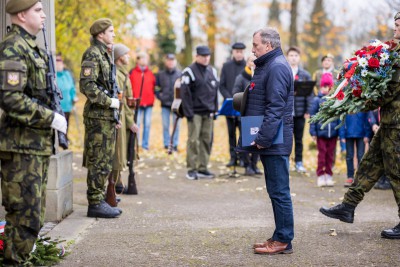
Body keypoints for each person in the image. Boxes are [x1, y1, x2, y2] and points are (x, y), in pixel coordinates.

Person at [319, 11, 400, 239]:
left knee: (397, 173)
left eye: (398, 24)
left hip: (397, 125)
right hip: (390, 123)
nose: (394, 28)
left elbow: (387, 93)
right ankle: (348, 206)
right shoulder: (394, 51)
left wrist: (354, 103)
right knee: (369, 164)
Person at [0, 0, 67, 264]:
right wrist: (49, 117)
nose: (43, 16)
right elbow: (11, 99)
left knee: (34, 217)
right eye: (38, 10)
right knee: (23, 216)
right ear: (21, 14)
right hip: (19, 148)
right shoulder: (13, 47)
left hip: (34, 146)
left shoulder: (33, 47)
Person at [236, 28, 294, 254]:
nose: (252, 49)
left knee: (280, 191)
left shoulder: (277, 66)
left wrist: (262, 139)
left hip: (274, 142)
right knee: (275, 190)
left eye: (256, 45)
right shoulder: (268, 65)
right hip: (271, 140)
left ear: (268, 46)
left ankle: (284, 240)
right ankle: (279, 235)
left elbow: (275, 108)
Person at [80, 18, 121, 218]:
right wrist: (109, 102)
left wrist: (115, 114)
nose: (114, 34)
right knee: (98, 160)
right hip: (97, 117)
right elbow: (87, 86)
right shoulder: (93, 54)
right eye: (110, 31)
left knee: (105, 160)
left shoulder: (105, 54)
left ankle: (100, 198)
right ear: (100, 34)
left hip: (106, 117)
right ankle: (95, 202)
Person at [106, 43, 138, 205]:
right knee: (117, 153)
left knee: (121, 153)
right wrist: (130, 121)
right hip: (120, 117)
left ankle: (116, 184)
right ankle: (112, 186)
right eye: (126, 54)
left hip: (124, 116)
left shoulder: (123, 73)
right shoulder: (117, 75)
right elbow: (121, 100)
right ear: (119, 57)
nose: (129, 57)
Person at [180, 45, 219, 180]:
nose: (206, 58)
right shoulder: (188, 71)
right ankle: (192, 169)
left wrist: (215, 110)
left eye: (207, 55)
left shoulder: (212, 71)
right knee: (193, 141)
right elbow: (185, 94)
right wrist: (188, 113)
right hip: (194, 113)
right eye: (203, 56)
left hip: (208, 112)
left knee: (206, 140)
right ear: (196, 56)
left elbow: (215, 92)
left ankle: (203, 167)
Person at [232, 55, 261, 175]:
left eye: (255, 61)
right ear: (247, 63)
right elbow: (235, 93)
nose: (253, 63)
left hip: (257, 114)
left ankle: (254, 164)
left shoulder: (260, 76)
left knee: (256, 139)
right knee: (245, 140)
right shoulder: (241, 77)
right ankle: (247, 164)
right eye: (251, 61)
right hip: (244, 113)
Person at [309, 73, 340, 187]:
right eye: (324, 86)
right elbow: (313, 116)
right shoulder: (317, 100)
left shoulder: (335, 100)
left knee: (330, 155)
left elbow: (338, 116)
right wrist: (313, 132)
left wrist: (339, 132)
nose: (325, 89)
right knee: (322, 154)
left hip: (333, 133)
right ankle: (321, 175)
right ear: (320, 87)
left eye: (328, 86)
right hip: (321, 133)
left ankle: (329, 174)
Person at [219, 42, 247, 167]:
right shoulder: (226, 66)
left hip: (243, 105)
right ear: (233, 52)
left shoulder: (248, 66)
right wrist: (229, 98)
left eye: (241, 51)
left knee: (243, 133)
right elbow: (222, 85)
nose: (239, 53)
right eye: (236, 51)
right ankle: (232, 157)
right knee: (231, 133)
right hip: (230, 104)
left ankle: (242, 157)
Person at [286, 46, 313, 173]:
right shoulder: (283, 72)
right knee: (286, 139)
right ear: (287, 57)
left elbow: (309, 94)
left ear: (299, 57)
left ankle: (299, 162)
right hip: (285, 113)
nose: (293, 58)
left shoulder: (305, 75)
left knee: (299, 139)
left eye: (295, 55)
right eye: (291, 55)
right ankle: (285, 162)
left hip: (300, 112)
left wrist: (308, 110)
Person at [129, 52, 156, 150]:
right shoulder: (132, 72)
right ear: (138, 60)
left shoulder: (150, 73)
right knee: (137, 123)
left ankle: (145, 145)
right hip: (137, 103)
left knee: (147, 124)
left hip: (148, 103)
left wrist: (153, 97)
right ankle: (137, 144)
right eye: (142, 58)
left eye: (146, 58)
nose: (144, 60)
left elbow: (154, 87)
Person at [156, 54, 182, 151]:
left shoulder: (180, 74)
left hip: (177, 105)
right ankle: (167, 144)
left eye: (172, 60)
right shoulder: (160, 75)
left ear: (175, 62)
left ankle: (175, 144)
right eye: (169, 60)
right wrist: (160, 97)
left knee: (177, 125)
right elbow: (156, 88)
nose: (170, 62)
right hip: (165, 104)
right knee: (165, 125)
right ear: (166, 62)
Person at [339, 112, 371, 187]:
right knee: (349, 156)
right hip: (348, 133)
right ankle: (350, 177)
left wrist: (367, 134)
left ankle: (360, 177)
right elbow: (342, 120)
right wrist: (342, 135)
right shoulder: (346, 103)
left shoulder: (363, 104)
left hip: (361, 134)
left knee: (361, 156)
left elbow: (367, 120)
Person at [367, 109, 391, 190]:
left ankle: (388, 181)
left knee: (388, 158)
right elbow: (370, 113)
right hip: (376, 133)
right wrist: (373, 124)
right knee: (379, 157)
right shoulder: (375, 104)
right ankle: (381, 179)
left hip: (390, 134)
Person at [56, 53, 76, 140]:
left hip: (67, 106)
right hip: (58, 106)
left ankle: (65, 140)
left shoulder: (67, 74)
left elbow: (72, 88)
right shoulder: (53, 75)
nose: (59, 62)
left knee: (66, 125)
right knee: (58, 126)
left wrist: (74, 97)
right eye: (57, 60)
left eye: (60, 60)